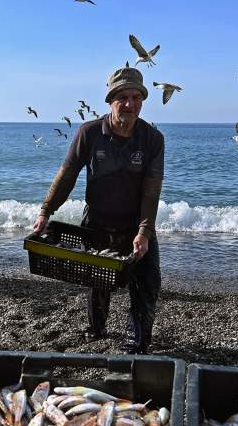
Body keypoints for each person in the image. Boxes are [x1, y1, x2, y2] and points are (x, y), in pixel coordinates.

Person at [32, 66, 164, 353]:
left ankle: (137, 341)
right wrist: (46, 212)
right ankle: (96, 329)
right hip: (98, 222)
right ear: (110, 100)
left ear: (142, 100)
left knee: (148, 281)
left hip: (135, 224)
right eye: (122, 97)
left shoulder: (153, 139)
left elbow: (151, 190)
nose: (129, 104)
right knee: (99, 280)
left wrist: (144, 231)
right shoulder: (89, 133)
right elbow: (67, 175)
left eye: (135, 97)